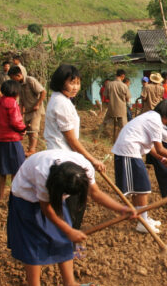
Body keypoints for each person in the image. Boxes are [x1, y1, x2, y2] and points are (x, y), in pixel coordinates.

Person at [7, 149, 134, 286]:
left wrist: (121, 209)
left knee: (64, 239)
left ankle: (70, 285)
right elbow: (47, 209)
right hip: (27, 196)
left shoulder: (83, 168)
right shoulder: (43, 174)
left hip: (52, 194)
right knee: (35, 240)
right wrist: (69, 230)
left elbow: (95, 193)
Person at [111, 99, 167, 233]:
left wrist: (163, 159)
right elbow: (160, 149)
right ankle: (142, 223)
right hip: (128, 152)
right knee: (143, 188)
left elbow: (153, 149)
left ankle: (143, 219)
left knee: (140, 189)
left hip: (130, 152)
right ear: (165, 116)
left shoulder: (151, 116)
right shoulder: (155, 121)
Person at [44, 64, 107, 227]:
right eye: (72, 82)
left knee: (74, 203)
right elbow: (72, 140)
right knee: (72, 205)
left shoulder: (61, 100)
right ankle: (69, 242)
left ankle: (70, 240)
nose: (76, 87)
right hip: (63, 158)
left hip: (64, 155)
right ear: (61, 82)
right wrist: (92, 160)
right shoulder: (61, 103)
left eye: (78, 83)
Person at [0, 79, 27, 202]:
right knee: (16, 169)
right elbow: (15, 121)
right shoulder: (12, 103)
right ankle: (13, 195)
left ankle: (1, 196)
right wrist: (22, 129)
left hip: (0, 140)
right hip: (12, 140)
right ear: (16, 92)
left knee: (2, 170)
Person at [9, 65, 46, 155]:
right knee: (28, 129)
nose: (13, 80)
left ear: (18, 75)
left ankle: (32, 149)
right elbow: (21, 101)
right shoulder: (19, 85)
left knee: (33, 128)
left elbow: (43, 92)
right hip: (28, 110)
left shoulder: (30, 80)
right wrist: (20, 113)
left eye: (13, 78)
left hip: (36, 109)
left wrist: (37, 104)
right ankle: (30, 147)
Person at [99, 70, 130, 141]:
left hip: (111, 108)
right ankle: (126, 140)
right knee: (124, 127)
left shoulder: (109, 84)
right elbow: (128, 98)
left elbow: (106, 96)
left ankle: (96, 137)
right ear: (122, 76)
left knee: (104, 123)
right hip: (121, 110)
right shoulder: (124, 86)